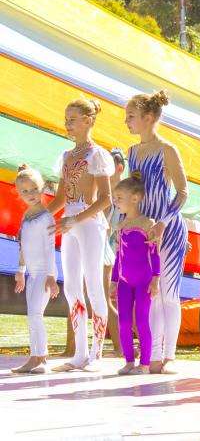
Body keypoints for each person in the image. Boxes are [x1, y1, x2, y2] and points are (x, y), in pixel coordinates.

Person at [47, 98, 115, 373]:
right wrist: (37, 217)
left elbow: (106, 199)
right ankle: (79, 354)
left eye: (72, 120)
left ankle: (96, 354)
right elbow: (60, 198)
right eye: (66, 119)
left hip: (89, 224)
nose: (67, 124)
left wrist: (75, 219)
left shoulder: (96, 154)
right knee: (72, 287)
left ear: (88, 121)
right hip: (69, 224)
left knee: (94, 285)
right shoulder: (66, 156)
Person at [125, 90, 189, 374]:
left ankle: (170, 355)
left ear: (148, 117)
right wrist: (127, 225)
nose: (127, 121)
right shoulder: (132, 152)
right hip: (143, 231)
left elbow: (182, 193)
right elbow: (133, 194)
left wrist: (163, 222)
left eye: (131, 116)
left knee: (168, 294)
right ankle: (152, 355)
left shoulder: (167, 149)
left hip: (168, 228)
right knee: (150, 294)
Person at [11, 164, 60, 374]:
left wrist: (51, 277)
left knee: (35, 314)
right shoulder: (26, 217)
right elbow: (23, 245)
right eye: (25, 191)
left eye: (34, 189)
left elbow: (50, 248)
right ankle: (35, 357)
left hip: (45, 272)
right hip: (32, 273)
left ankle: (41, 359)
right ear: (19, 193)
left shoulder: (46, 217)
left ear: (42, 189)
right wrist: (21, 270)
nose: (30, 194)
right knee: (32, 315)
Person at [110, 173, 160, 375]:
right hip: (124, 282)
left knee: (141, 321)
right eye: (115, 198)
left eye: (119, 198)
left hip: (143, 281)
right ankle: (129, 361)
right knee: (123, 322)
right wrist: (114, 281)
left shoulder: (148, 223)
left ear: (135, 198)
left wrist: (155, 280)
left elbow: (155, 254)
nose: (116, 202)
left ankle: (145, 364)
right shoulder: (120, 226)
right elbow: (118, 257)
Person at [102, 148, 126, 355]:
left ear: (119, 168)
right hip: (108, 251)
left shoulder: (122, 197)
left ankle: (122, 346)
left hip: (112, 253)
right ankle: (121, 346)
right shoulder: (105, 194)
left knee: (107, 301)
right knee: (103, 300)